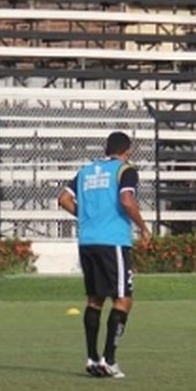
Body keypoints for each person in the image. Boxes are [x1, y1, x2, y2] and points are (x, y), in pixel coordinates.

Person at [58, 131, 151, 378]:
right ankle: (109, 360)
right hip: (113, 242)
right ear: (128, 150)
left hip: (88, 241)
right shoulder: (125, 170)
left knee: (95, 300)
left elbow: (64, 199)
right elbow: (127, 200)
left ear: (105, 148)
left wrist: (88, 217)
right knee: (123, 299)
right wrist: (143, 227)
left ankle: (91, 359)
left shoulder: (86, 171)